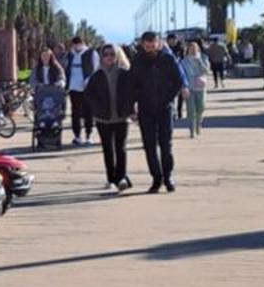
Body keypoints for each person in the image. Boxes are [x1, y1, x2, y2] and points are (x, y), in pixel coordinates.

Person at [131, 29, 186, 192]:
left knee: (166, 144)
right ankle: (156, 178)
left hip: (164, 108)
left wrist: (168, 98)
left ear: (158, 43)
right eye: (147, 46)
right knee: (149, 145)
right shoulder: (137, 61)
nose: (150, 48)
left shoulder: (168, 60)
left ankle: (168, 176)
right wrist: (131, 106)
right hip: (145, 108)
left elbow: (177, 81)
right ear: (143, 45)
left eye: (153, 45)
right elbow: (131, 85)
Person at [84, 41, 135, 192]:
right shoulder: (96, 76)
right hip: (103, 119)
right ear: (101, 57)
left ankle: (121, 178)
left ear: (117, 55)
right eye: (105, 55)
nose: (109, 57)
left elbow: (131, 95)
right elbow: (88, 95)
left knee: (121, 149)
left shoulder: (125, 74)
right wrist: (96, 109)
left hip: (121, 118)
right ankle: (111, 178)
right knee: (108, 149)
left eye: (112, 54)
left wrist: (131, 110)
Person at [64, 37, 95, 141]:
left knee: (88, 111)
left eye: (78, 44)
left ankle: (89, 134)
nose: (76, 47)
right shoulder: (70, 55)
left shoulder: (91, 53)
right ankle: (77, 135)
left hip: (87, 87)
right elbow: (67, 69)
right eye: (74, 45)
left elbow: (95, 69)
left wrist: (89, 81)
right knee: (75, 112)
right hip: (73, 87)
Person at [182, 40, 213, 136]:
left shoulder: (203, 58)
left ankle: (198, 123)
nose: (193, 50)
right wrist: (183, 87)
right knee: (191, 110)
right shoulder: (184, 61)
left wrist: (199, 61)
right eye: (191, 49)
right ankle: (192, 130)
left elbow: (207, 71)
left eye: (195, 48)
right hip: (189, 88)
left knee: (201, 107)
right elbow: (182, 75)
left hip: (200, 87)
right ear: (188, 50)